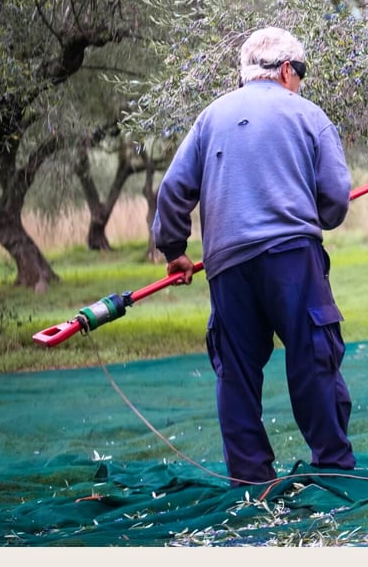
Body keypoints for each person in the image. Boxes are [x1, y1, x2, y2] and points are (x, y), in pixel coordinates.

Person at [152, 26, 356, 485]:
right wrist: (315, 214)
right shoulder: (309, 115)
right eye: (300, 72)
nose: (300, 81)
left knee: (237, 372)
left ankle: (250, 480)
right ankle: (334, 468)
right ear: (286, 70)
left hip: (227, 266)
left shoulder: (209, 118)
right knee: (313, 356)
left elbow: (173, 191)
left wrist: (174, 250)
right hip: (292, 256)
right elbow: (337, 199)